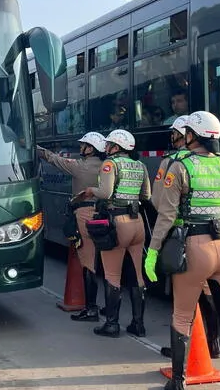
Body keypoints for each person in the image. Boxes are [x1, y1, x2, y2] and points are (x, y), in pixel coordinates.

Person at [144, 111, 220, 390]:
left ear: (192, 135)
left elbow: (165, 215)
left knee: (182, 317)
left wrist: (152, 252)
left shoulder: (178, 165)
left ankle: (177, 382)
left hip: (193, 248)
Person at [151, 115, 220, 360]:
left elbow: (158, 201)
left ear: (183, 135)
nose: (171, 136)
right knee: (208, 288)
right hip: (216, 233)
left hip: (181, 236)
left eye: (174, 133)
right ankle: (214, 342)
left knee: (181, 295)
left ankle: (180, 351)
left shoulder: (172, 162)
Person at [83, 129, 151, 338]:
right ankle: (138, 324)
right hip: (137, 222)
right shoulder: (140, 165)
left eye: (109, 144)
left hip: (116, 221)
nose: (106, 148)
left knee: (113, 275)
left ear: (116, 146)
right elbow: (146, 195)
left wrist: (91, 190)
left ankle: (112, 324)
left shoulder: (110, 164)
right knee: (138, 275)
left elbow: (105, 193)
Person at [37, 132, 107, 321]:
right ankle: (108, 308)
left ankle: (91, 309)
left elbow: (54, 159)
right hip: (106, 217)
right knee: (109, 264)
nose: (80, 148)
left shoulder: (80, 167)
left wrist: (36, 148)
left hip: (85, 215)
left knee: (88, 263)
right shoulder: (108, 167)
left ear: (91, 148)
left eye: (83, 145)